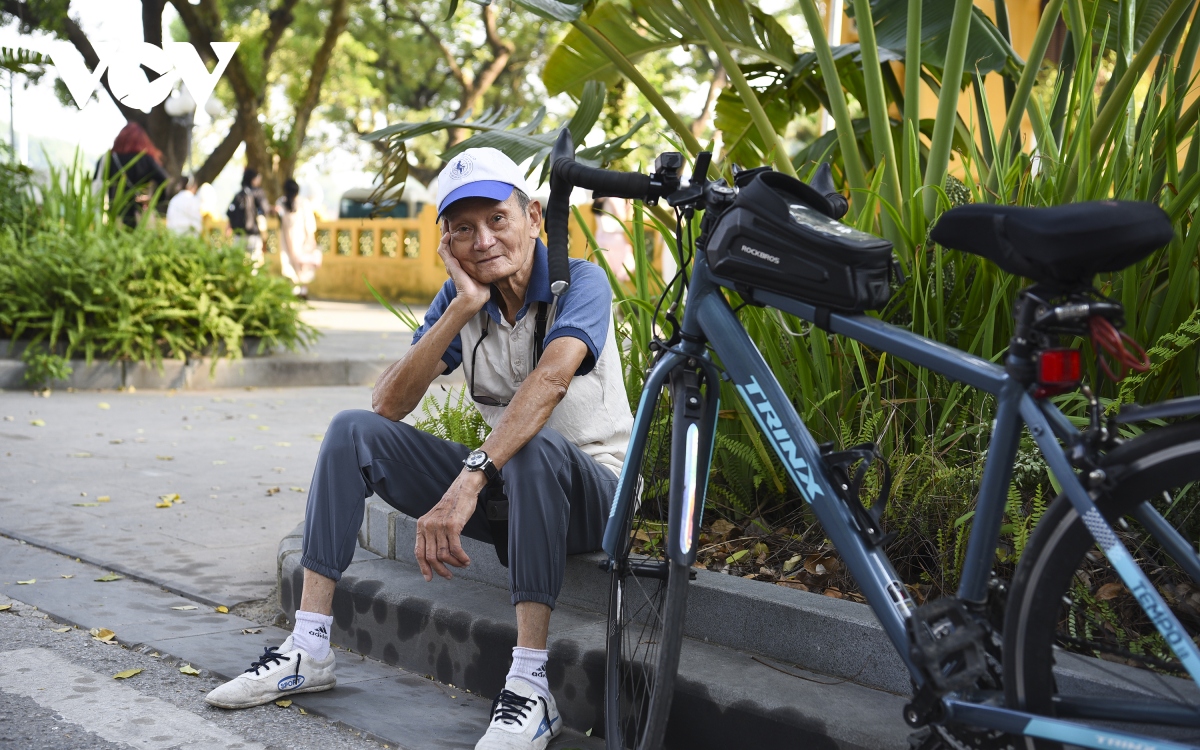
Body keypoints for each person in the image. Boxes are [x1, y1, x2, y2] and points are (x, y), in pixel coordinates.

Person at [204, 148, 633, 750]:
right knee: (352, 431)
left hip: (595, 496)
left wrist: (469, 479)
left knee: (532, 448)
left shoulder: (578, 282)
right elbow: (387, 404)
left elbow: (551, 381)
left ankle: (530, 687)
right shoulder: (463, 298)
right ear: (446, 242)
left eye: (497, 219)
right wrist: (461, 308)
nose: (483, 241)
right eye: (463, 229)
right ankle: (308, 646)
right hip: (509, 491)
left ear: (534, 216)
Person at [95, 122, 169, 228]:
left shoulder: (109, 159)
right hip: (138, 213)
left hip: (114, 213)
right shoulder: (145, 159)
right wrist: (153, 200)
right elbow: (164, 180)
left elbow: (96, 181)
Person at [275, 178, 322, 298]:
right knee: (299, 264)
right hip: (299, 238)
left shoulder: (282, 203)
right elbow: (309, 223)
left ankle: (297, 290)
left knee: (296, 263)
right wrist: (311, 238)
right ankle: (300, 290)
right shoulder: (297, 203)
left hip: (292, 238)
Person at [226, 168, 271, 268]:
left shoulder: (239, 194)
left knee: (237, 263)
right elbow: (265, 209)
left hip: (238, 235)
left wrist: (228, 229)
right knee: (254, 263)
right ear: (253, 179)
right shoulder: (258, 193)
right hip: (253, 234)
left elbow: (230, 213)